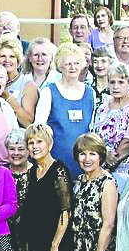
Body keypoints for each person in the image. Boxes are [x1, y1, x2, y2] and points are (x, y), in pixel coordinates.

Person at [22, 124, 72, 251]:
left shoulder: (59, 170)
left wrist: (55, 246)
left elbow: (66, 212)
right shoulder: (31, 172)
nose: (34, 146)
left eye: (39, 141)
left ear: (49, 144)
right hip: (40, 241)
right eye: (31, 142)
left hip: (58, 240)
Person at [71, 133, 120, 251]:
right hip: (80, 247)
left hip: (100, 249)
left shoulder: (107, 184)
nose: (87, 159)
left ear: (101, 155)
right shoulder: (80, 180)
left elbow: (108, 225)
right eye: (82, 154)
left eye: (92, 154)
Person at [35, 43, 95, 178]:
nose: (73, 67)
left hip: (83, 164)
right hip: (55, 164)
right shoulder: (49, 92)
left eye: (76, 63)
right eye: (68, 64)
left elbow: (92, 128)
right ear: (60, 66)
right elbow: (38, 130)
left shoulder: (90, 93)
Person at [91, 63, 129, 173]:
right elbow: (94, 136)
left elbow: (128, 142)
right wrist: (103, 157)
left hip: (124, 168)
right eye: (112, 82)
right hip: (100, 163)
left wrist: (110, 165)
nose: (115, 87)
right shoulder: (103, 106)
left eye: (121, 82)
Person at [3, 129, 35, 251]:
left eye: (21, 149)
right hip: (5, 229)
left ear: (28, 151)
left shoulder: (36, 172)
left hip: (31, 231)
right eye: (12, 149)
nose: (16, 153)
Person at [0, 36, 38, 126]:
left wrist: (8, 97)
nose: (7, 60)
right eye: (3, 56)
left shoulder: (28, 85)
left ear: (18, 60)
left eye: (12, 56)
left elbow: (28, 122)